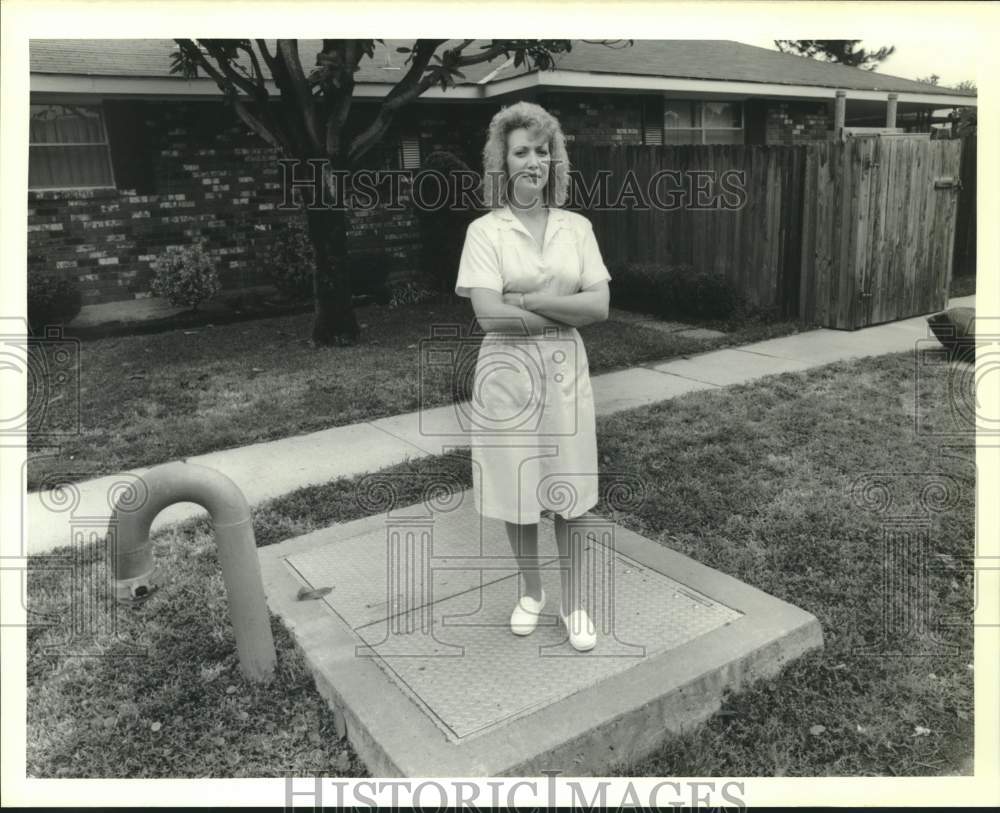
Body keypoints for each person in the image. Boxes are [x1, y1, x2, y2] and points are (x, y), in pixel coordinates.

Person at [453, 101, 611, 652]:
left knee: (569, 489)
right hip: (507, 376)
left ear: (555, 160)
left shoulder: (577, 228)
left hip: (566, 372)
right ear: (503, 161)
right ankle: (531, 592)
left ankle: (573, 603)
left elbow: (601, 307)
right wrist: (563, 306)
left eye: (543, 151)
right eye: (522, 152)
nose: (534, 162)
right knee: (516, 489)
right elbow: (490, 315)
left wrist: (530, 300)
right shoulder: (484, 232)